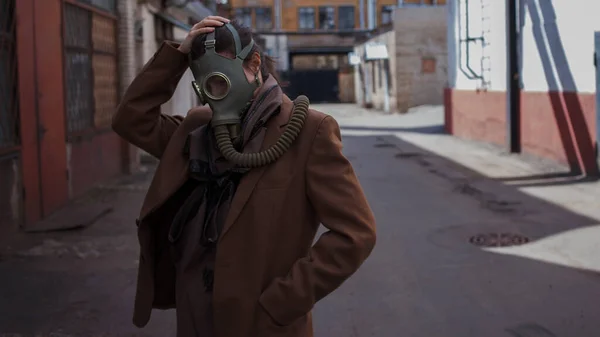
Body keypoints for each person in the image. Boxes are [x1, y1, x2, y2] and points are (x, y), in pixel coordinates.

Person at [112, 15, 376, 337]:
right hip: (196, 313)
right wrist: (176, 59)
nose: (216, 94)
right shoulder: (196, 129)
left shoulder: (308, 131)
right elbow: (131, 119)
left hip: (262, 321)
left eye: (222, 80)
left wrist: (283, 301)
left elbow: (355, 233)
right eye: (208, 85)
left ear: (253, 64)